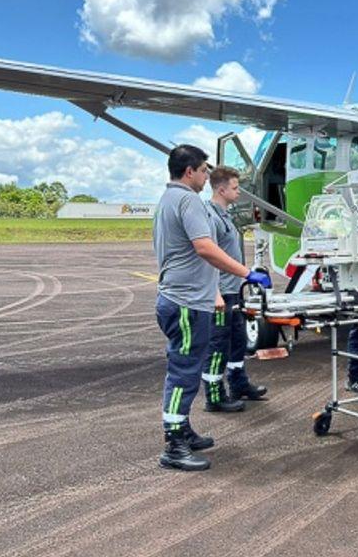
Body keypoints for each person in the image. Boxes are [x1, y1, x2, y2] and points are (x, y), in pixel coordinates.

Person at [153, 144, 272, 471]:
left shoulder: (168, 199)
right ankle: (174, 443)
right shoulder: (188, 200)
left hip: (179, 297)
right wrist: (248, 273)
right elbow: (205, 247)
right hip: (187, 301)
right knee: (183, 372)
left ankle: (183, 430)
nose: (208, 175)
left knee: (186, 367)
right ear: (189, 171)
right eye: (204, 170)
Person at [204, 165, 269, 413]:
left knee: (237, 340)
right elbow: (207, 257)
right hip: (220, 293)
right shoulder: (210, 217)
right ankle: (214, 396)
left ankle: (238, 384)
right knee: (217, 345)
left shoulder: (225, 215)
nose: (238, 191)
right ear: (221, 189)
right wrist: (214, 292)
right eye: (234, 187)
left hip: (233, 290)